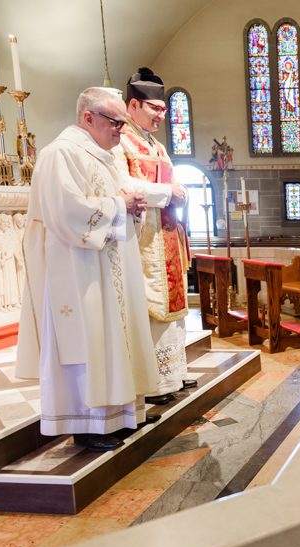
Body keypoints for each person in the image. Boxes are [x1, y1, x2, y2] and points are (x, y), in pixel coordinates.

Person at [15, 87, 159, 451]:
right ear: (87, 118)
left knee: (114, 338)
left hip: (108, 267)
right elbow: (66, 213)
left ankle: (123, 414)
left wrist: (132, 207)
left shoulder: (105, 158)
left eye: (123, 124)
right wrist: (119, 204)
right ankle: (89, 425)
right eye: (115, 122)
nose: (121, 130)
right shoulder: (60, 154)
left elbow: (116, 204)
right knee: (91, 340)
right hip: (79, 272)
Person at [115, 67, 196, 405]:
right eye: (155, 109)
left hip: (167, 234)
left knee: (174, 309)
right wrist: (168, 192)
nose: (161, 116)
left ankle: (174, 372)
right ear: (133, 106)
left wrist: (181, 193)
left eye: (164, 110)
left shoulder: (157, 146)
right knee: (151, 306)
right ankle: (156, 382)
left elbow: (174, 185)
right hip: (143, 239)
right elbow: (124, 185)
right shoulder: (121, 142)